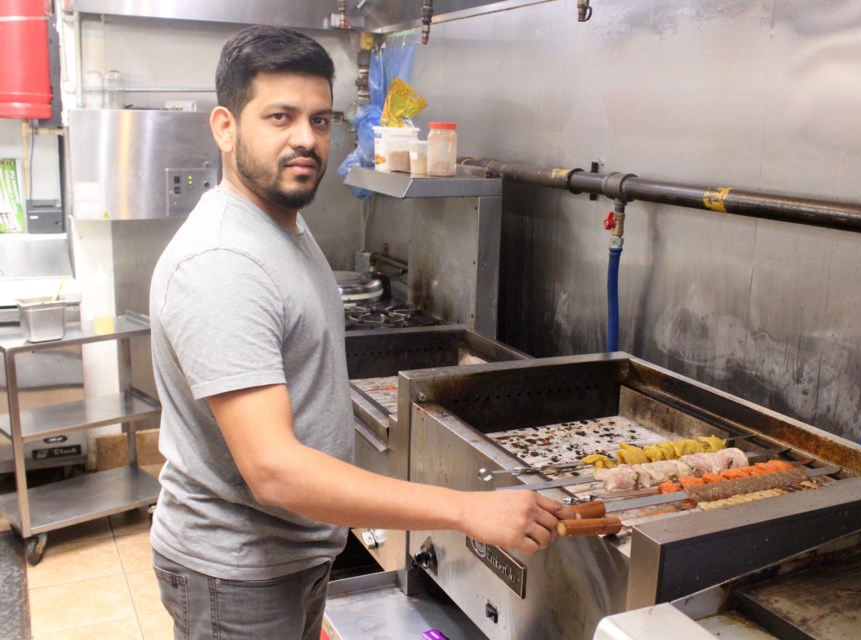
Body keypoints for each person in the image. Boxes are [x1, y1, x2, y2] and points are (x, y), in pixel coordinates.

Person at [149, 25, 577, 640]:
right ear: (225, 126)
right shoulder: (221, 262)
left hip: (287, 556)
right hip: (239, 576)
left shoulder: (281, 227)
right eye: (280, 117)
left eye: (320, 121)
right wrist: (465, 509)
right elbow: (273, 469)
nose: (306, 139)